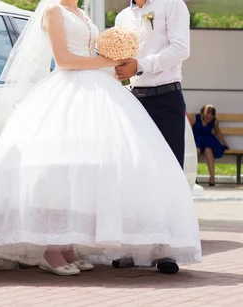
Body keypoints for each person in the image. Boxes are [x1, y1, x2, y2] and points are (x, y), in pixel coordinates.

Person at [0, 0, 202, 277]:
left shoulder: (84, 14)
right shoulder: (59, 11)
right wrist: (110, 63)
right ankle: (53, 247)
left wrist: (125, 65)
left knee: (107, 170)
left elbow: (178, 48)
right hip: (73, 88)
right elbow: (65, 60)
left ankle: (78, 246)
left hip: (125, 90)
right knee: (63, 168)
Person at [114, 0, 195, 273]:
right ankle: (134, 248)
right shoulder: (123, 16)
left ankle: (166, 251)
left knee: (169, 173)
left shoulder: (172, 5)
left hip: (167, 98)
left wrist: (140, 65)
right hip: (134, 100)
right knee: (135, 174)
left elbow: (181, 49)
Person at [190, 105, 230, 186]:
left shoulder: (215, 121)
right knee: (196, 151)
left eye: (211, 117)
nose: (209, 118)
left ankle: (212, 177)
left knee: (209, 152)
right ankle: (194, 177)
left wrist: (225, 144)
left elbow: (218, 133)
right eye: (207, 116)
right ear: (203, 113)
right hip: (196, 139)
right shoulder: (195, 118)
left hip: (208, 140)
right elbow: (189, 130)